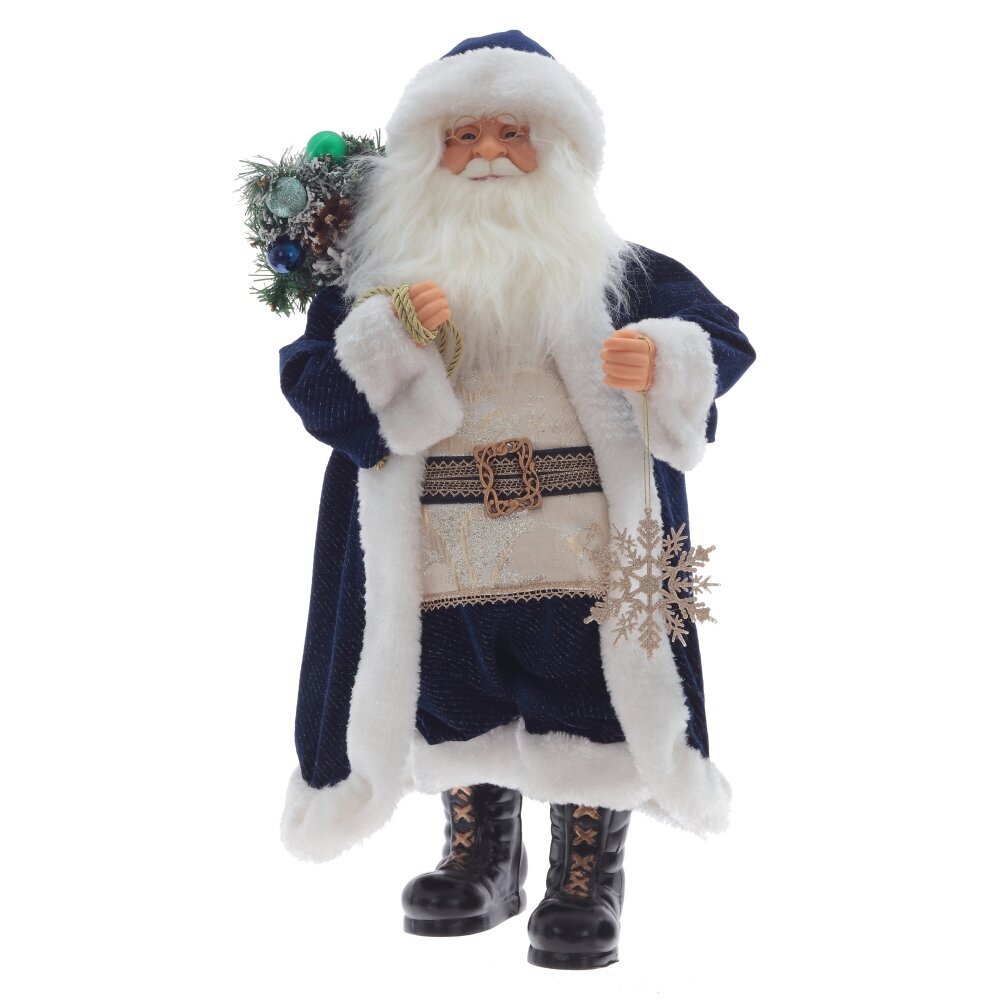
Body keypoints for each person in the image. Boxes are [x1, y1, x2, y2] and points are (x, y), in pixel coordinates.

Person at [277, 30, 755, 970]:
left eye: (514, 133)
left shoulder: (618, 273)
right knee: (453, 695)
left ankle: (586, 871)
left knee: (593, 697)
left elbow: (722, 336)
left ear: (560, 152)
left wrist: (662, 357)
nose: (489, 153)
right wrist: (384, 338)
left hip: (585, 548)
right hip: (442, 547)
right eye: (464, 135)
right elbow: (310, 382)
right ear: (427, 155)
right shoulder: (377, 286)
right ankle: (481, 851)